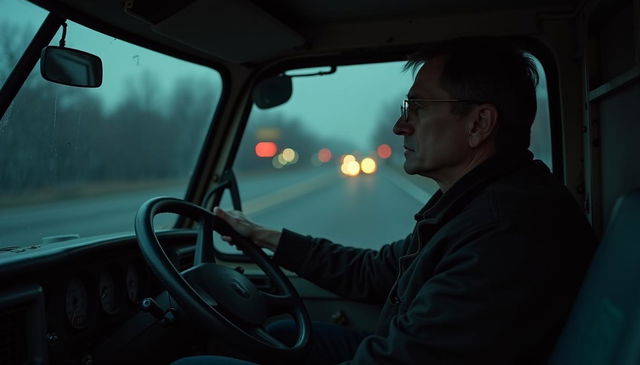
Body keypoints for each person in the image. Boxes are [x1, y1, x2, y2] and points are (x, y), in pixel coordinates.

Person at [173, 37, 596, 365]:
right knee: (283, 331)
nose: (400, 126)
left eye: (417, 107)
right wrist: (262, 235)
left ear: (479, 123)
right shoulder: (474, 204)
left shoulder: (506, 229)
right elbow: (375, 271)